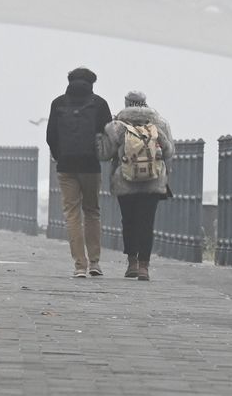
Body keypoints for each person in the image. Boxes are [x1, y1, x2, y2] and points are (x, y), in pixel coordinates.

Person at [99, 90, 174, 282]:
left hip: (126, 181)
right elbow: (169, 150)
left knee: (129, 221)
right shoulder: (160, 123)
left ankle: (132, 262)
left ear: (126, 103)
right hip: (153, 181)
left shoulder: (116, 126)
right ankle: (144, 267)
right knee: (146, 223)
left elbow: (105, 154)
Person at [46, 67, 113, 278]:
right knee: (92, 211)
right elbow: (108, 135)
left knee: (72, 214)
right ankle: (94, 262)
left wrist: (60, 156)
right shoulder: (99, 104)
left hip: (66, 166)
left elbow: (50, 136)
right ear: (92, 83)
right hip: (91, 166)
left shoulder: (58, 104)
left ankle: (79, 265)